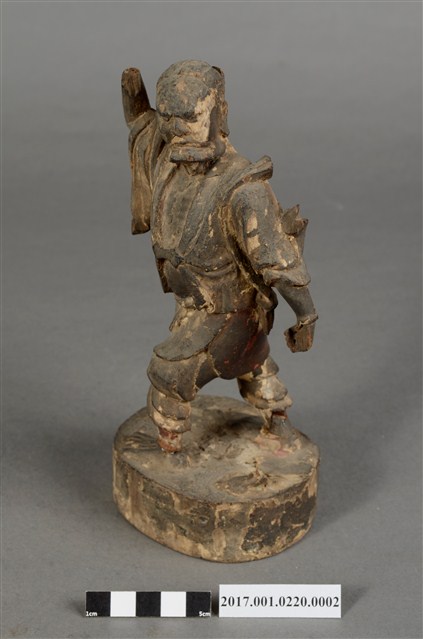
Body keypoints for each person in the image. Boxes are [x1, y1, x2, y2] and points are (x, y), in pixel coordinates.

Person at [121, 60, 318, 452]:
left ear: (220, 113)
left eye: (190, 117)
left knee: (168, 372)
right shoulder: (170, 163)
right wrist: (134, 99)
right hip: (194, 308)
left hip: (229, 314)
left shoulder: (244, 190)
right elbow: (143, 127)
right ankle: (276, 413)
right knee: (254, 364)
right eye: (169, 118)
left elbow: (279, 263)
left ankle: (170, 447)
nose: (177, 130)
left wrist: (306, 315)